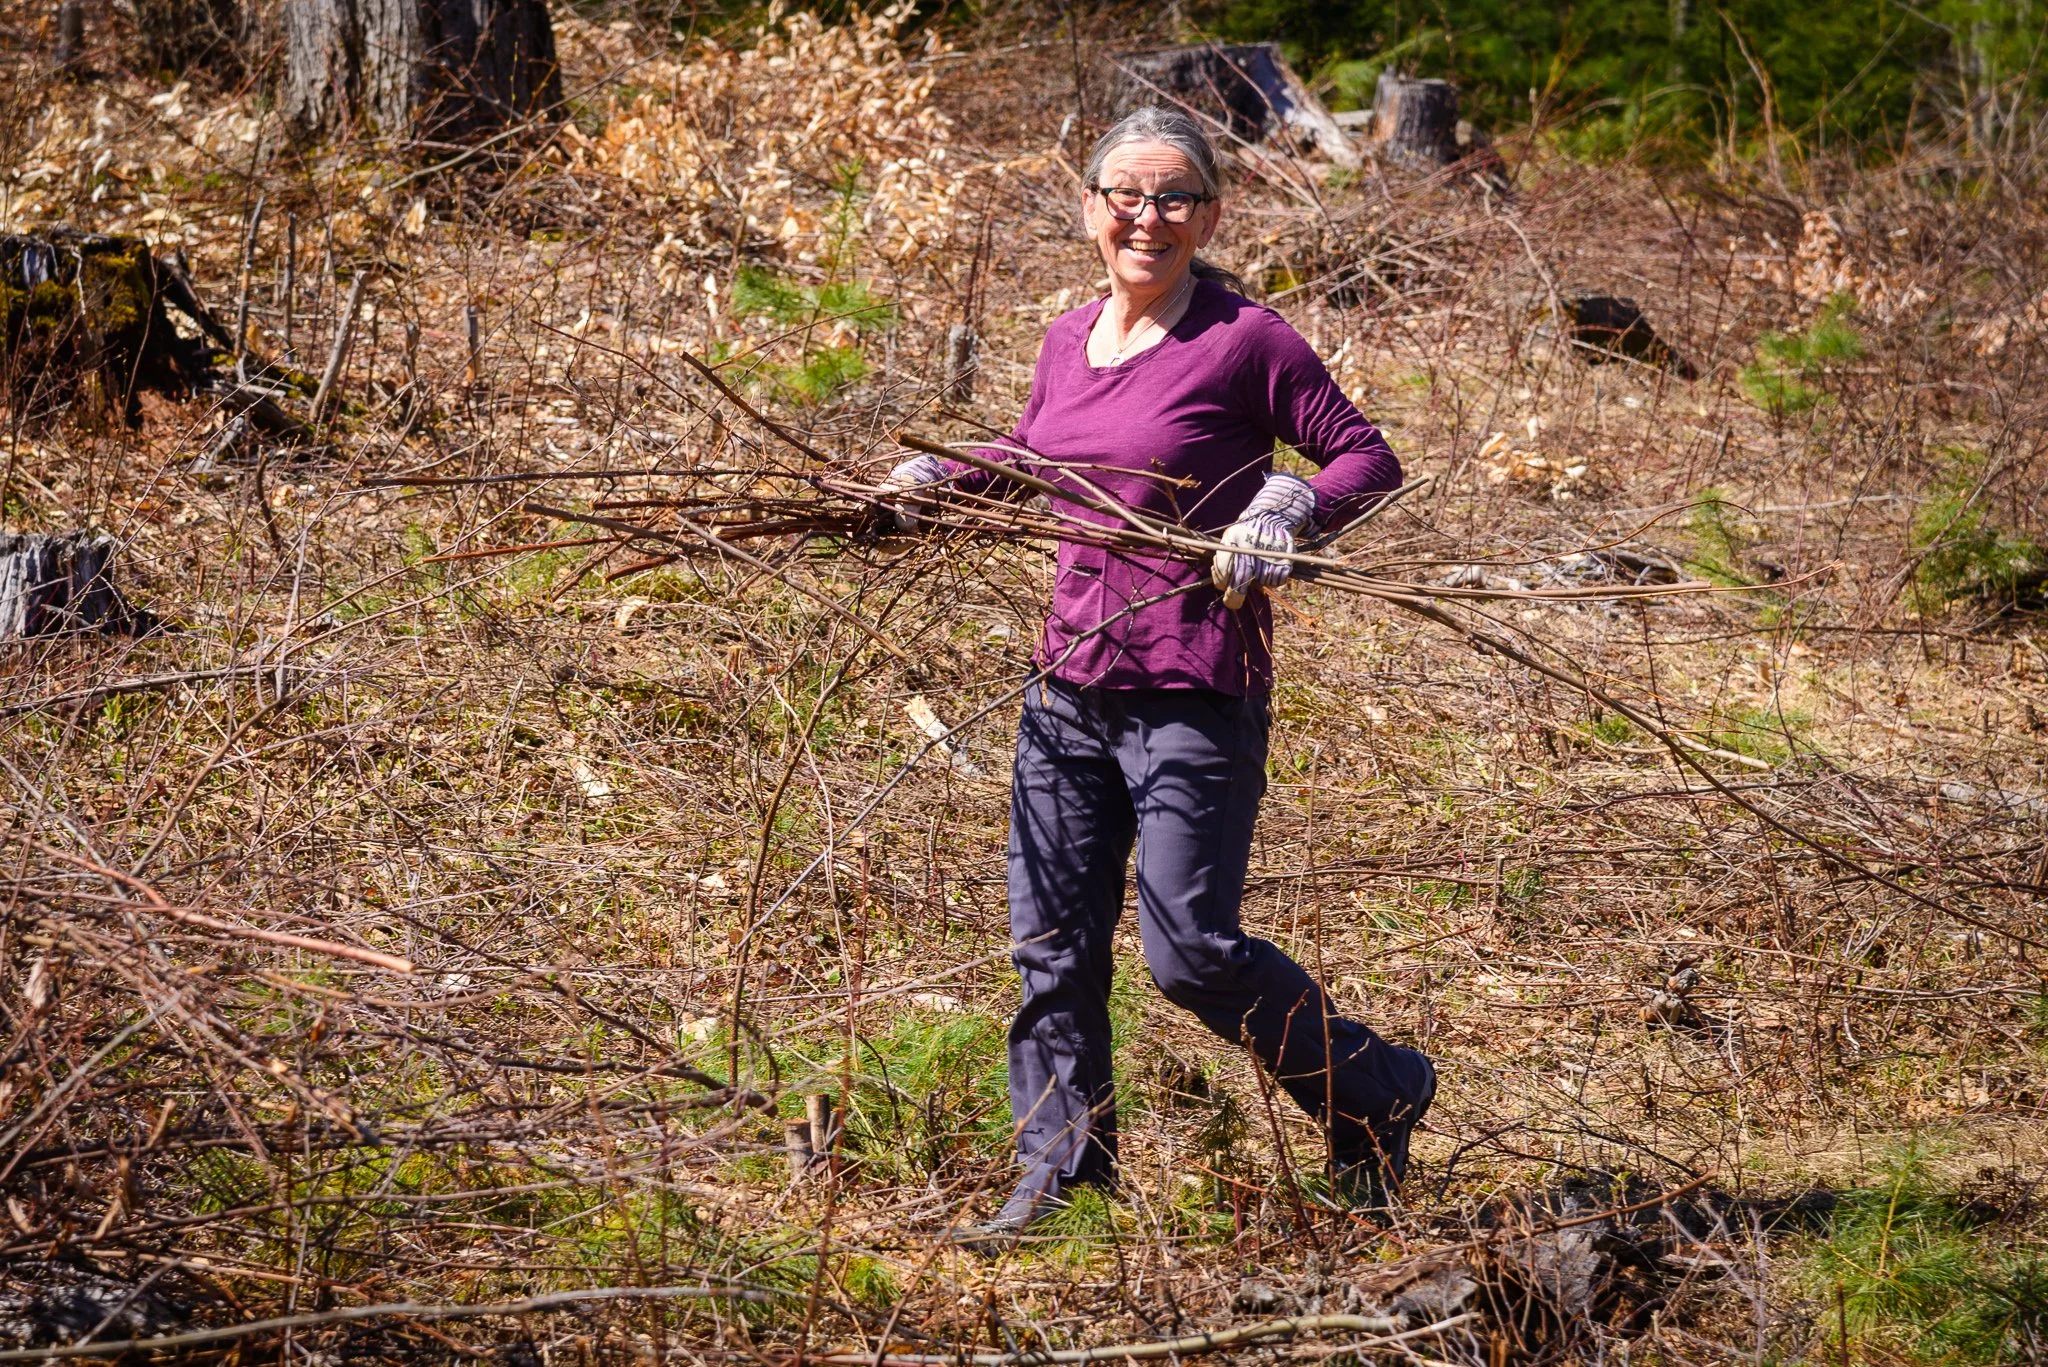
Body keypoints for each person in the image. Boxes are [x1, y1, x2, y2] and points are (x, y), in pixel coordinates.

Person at [884, 105, 1436, 1249]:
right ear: (1089, 209)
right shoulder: (1062, 339)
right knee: (1050, 944)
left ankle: (1375, 1090)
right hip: (1067, 685)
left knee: (1187, 948)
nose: (1148, 216)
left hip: (1194, 682)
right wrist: (939, 475)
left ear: (1210, 215)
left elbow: (1363, 455)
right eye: (1125, 196)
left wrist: (1286, 505)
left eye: (1174, 196)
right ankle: (1061, 1175)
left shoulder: (1246, 340)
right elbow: (1038, 462)